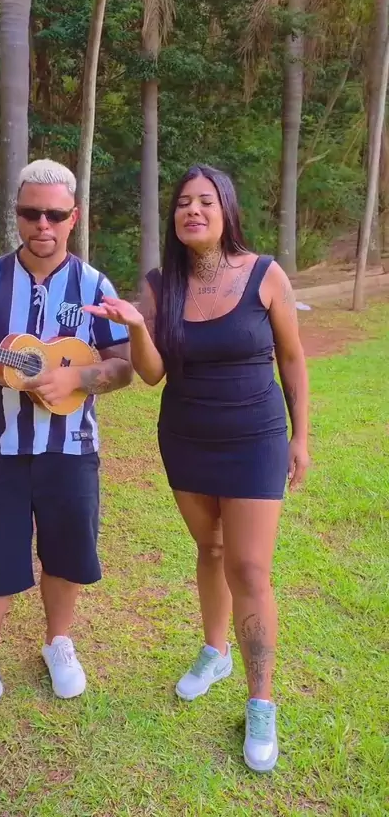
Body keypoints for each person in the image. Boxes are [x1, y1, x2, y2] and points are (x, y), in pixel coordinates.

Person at [85, 164, 309, 773]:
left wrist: (301, 438)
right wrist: (138, 326)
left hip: (256, 438)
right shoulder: (162, 285)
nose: (193, 210)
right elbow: (153, 373)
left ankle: (261, 701)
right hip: (186, 439)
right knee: (209, 549)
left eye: (205, 201)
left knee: (249, 566)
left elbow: (292, 359)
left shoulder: (264, 274)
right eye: (184, 202)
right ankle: (216, 652)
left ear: (226, 209)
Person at [0, 159, 132, 741]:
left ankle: (58, 642)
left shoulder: (94, 286)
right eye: (31, 212)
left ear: (73, 218)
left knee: (66, 551)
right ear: (16, 214)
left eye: (55, 215)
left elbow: (123, 367)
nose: (43, 224)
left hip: (72, 448)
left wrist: (78, 379)